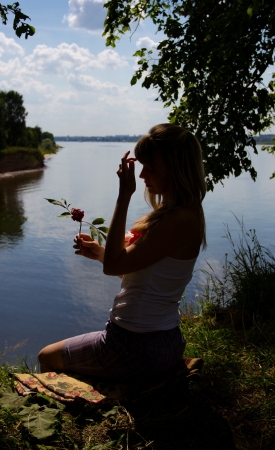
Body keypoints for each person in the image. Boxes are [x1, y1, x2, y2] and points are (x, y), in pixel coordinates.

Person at [38, 123, 207, 381]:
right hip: (164, 341)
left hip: (133, 346)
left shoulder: (177, 220)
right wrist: (101, 253)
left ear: (174, 169)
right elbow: (139, 273)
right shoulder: (181, 216)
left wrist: (124, 195)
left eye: (150, 167)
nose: (142, 176)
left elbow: (114, 267)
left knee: (46, 356)